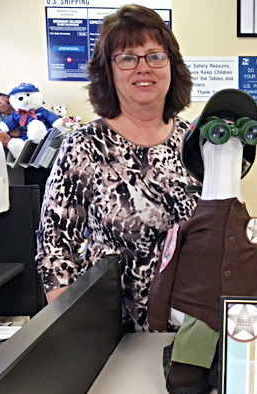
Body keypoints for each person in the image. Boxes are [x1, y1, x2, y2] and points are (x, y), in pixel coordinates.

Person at [35, 4, 198, 332]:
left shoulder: (194, 141)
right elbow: (54, 242)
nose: (144, 68)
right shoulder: (84, 146)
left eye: (155, 55)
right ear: (108, 70)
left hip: (190, 328)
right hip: (110, 331)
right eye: (127, 57)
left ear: (171, 64)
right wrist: (74, 328)